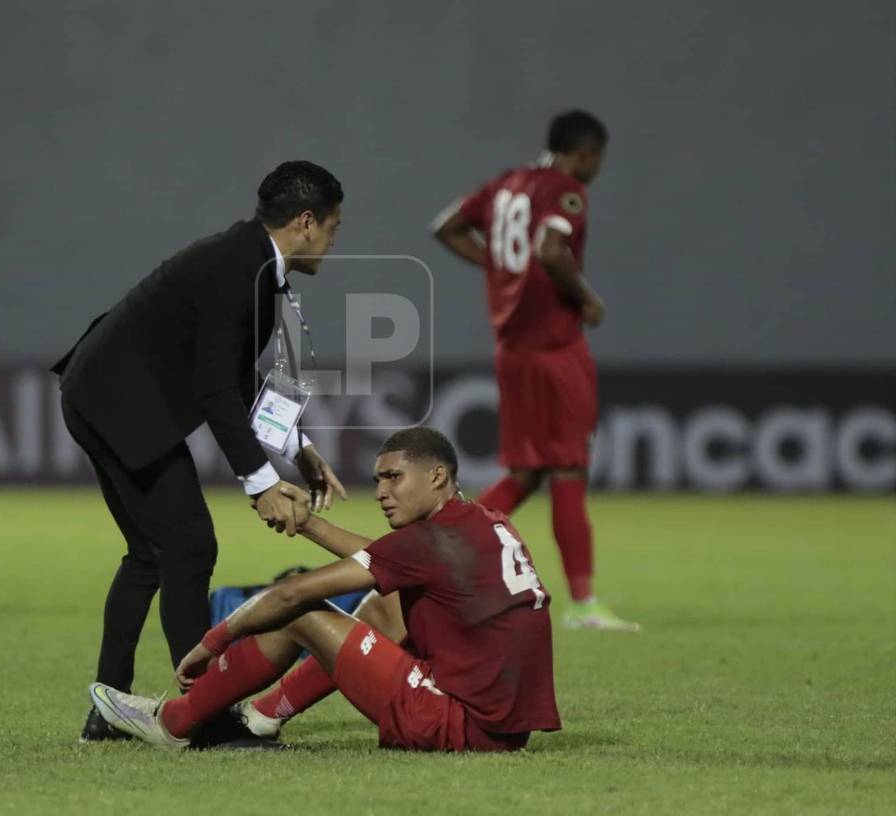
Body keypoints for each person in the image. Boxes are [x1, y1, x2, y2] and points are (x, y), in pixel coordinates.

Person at [53, 161, 349, 741]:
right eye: (334, 227)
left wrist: (297, 448)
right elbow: (216, 390)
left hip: (98, 393)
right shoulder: (240, 271)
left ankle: (107, 711)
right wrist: (261, 484)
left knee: (150, 555)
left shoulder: (248, 260)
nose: (335, 242)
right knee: (189, 547)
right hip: (119, 405)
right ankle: (205, 717)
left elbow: (235, 377)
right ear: (306, 222)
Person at [87, 427, 561, 752]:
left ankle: (172, 722)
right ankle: (263, 716)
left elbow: (292, 593)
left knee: (303, 612)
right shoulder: (481, 523)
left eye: (394, 477)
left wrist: (213, 642)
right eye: (378, 480)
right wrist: (308, 523)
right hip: (503, 728)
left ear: (437, 476)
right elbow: (386, 556)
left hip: (457, 724)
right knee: (384, 606)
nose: (382, 492)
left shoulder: (431, 541)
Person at [430, 110, 639, 632]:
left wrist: (498, 265)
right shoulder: (566, 190)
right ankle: (584, 604)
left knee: (525, 473)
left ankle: (442, 544)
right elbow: (550, 248)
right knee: (568, 468)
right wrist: (586, 298)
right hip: (555, 348)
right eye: (598, 159)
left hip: (511, 350)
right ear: (585, 154)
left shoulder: (506, 184)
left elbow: (447, 226)